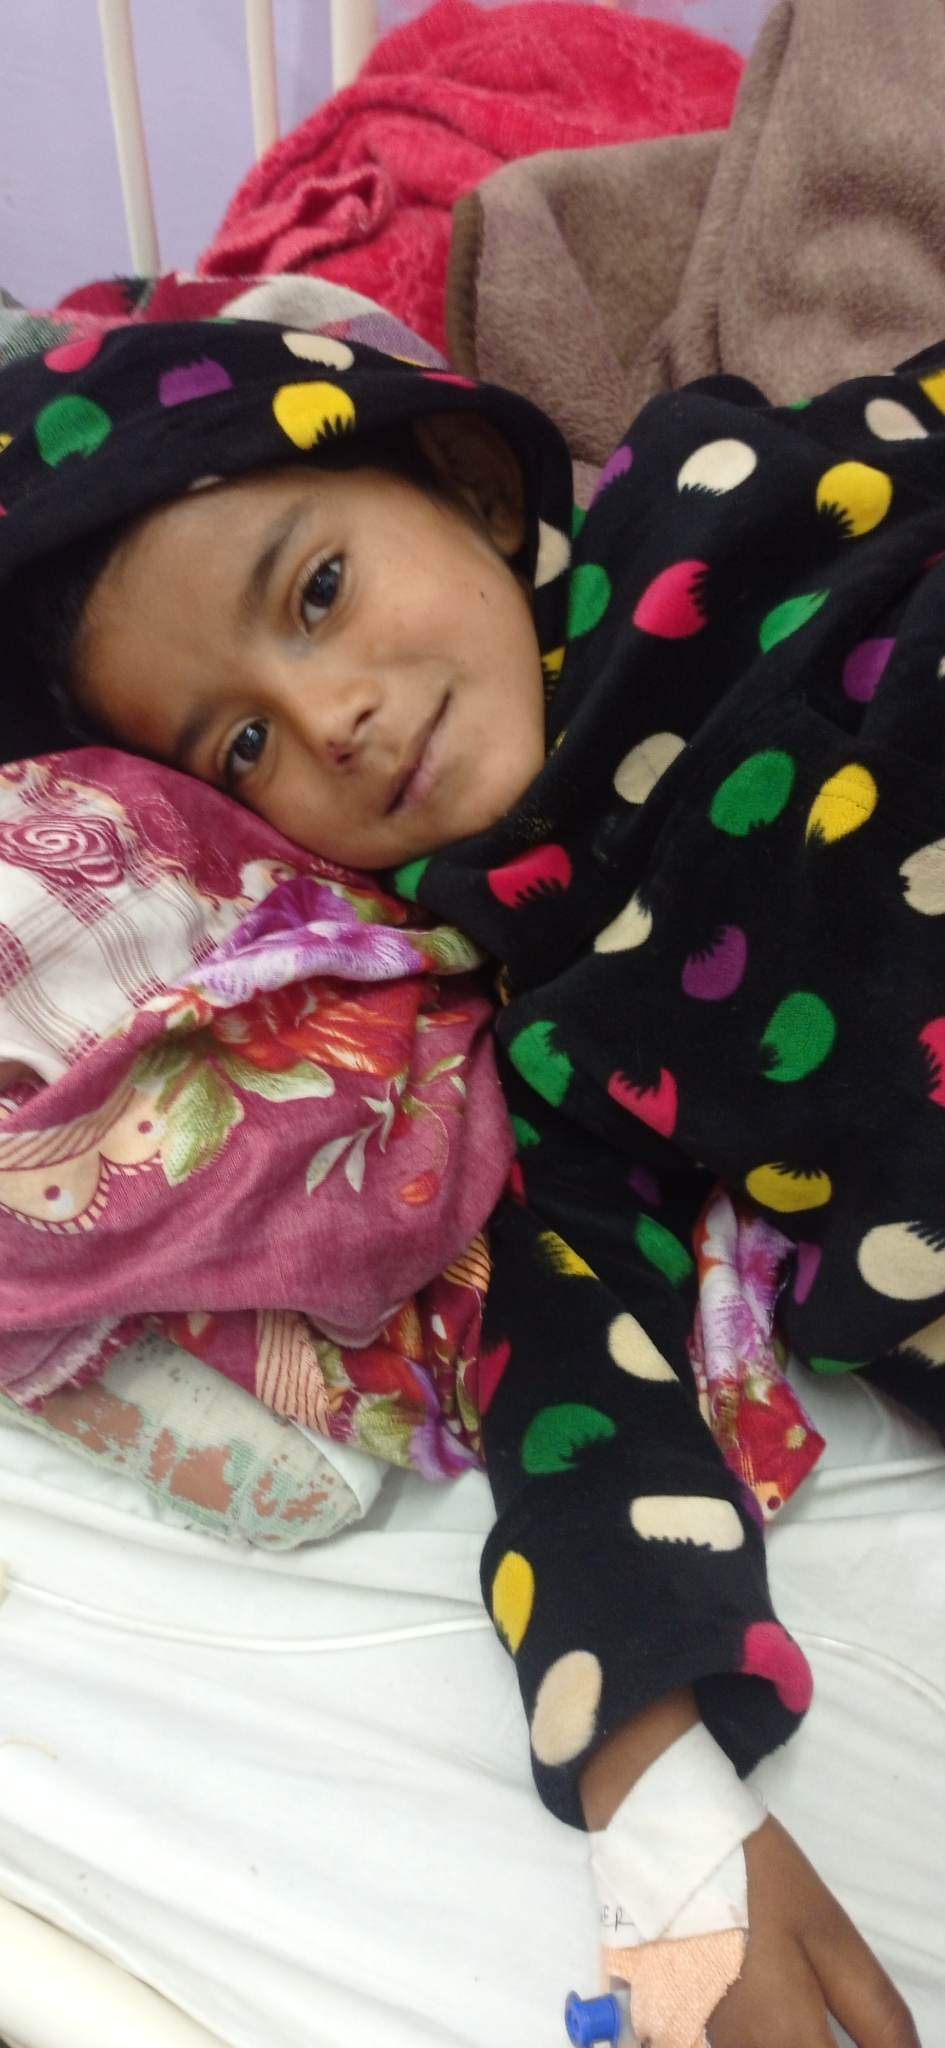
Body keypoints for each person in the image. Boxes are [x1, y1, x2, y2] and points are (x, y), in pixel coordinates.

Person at [1, 307, 936, 2047]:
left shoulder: (736, 500)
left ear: (465, 482)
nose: (329, 717)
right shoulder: (549, 1034)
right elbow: (568, 1388)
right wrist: (664, 1822)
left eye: (319, 592)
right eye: (239, 749)